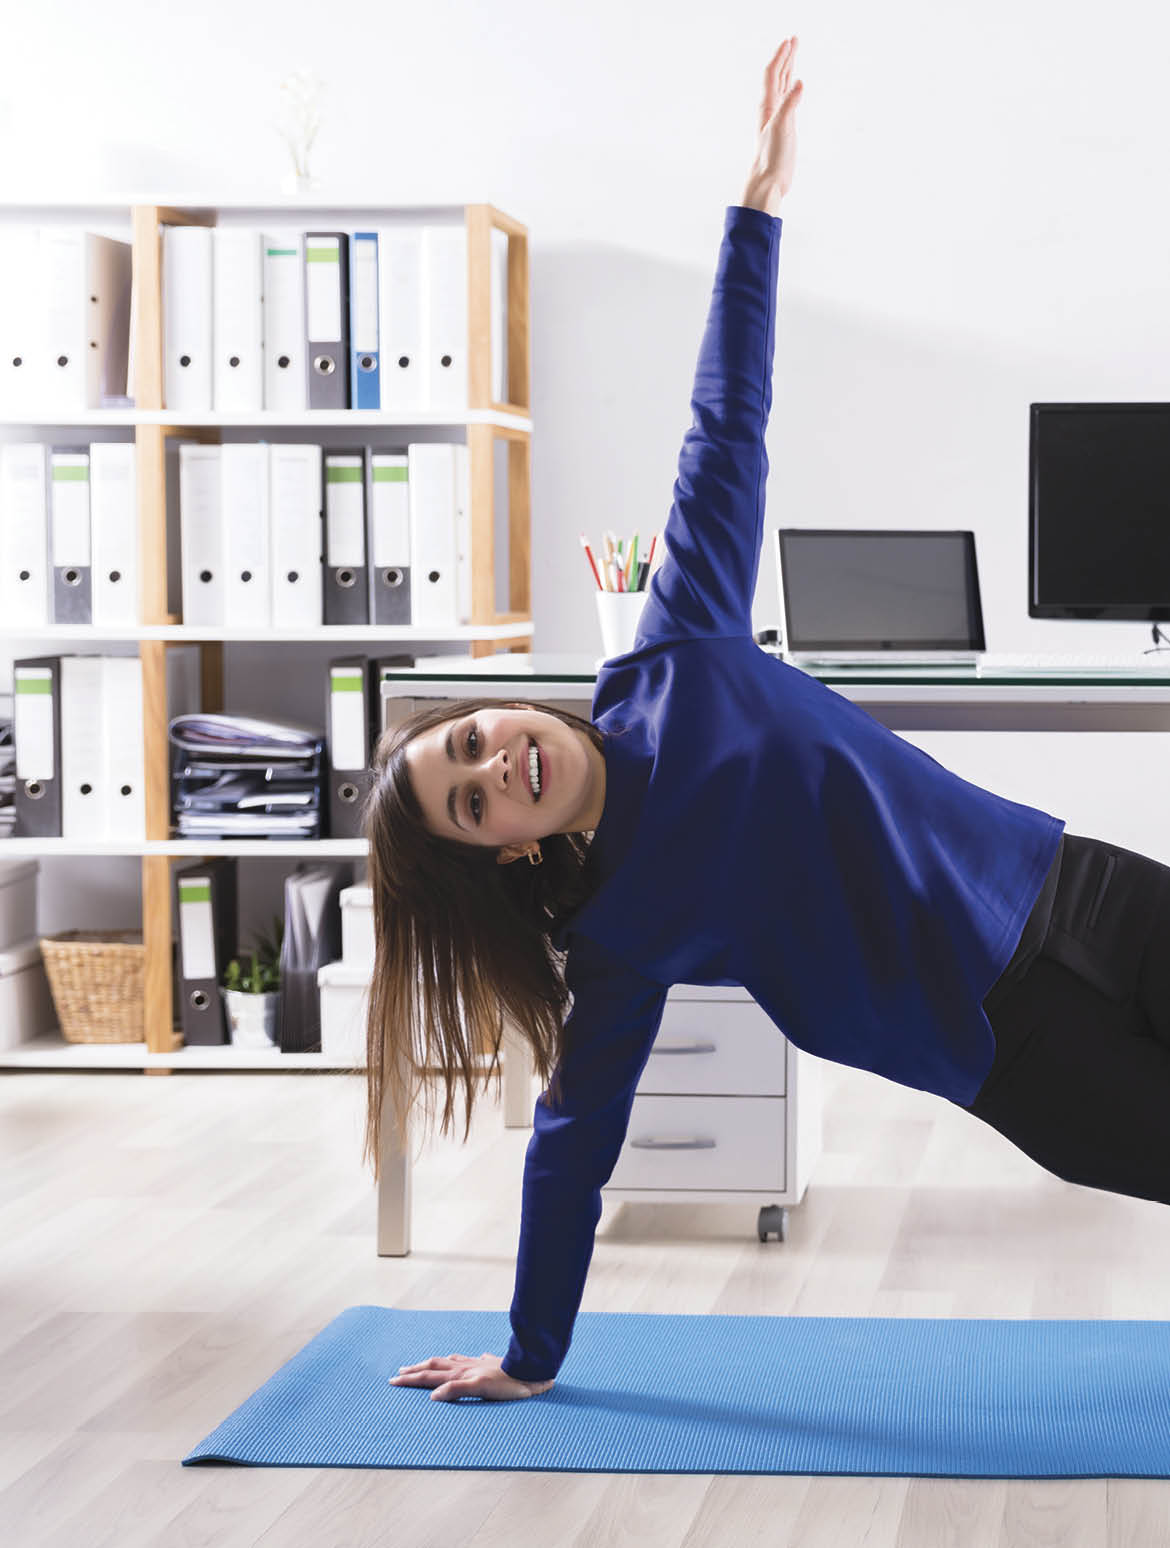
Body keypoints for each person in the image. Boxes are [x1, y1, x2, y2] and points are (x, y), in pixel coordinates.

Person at [369, 38, 1170, 1403]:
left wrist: (757, 207)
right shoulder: (616, 940)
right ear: (503, 850)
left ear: (499, 707)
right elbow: (574, 1138)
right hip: (1014, 1051)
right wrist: (527, 1354)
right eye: (473, 800)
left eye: (469, 743)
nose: (496, 765)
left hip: (1075, 889)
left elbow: (722, 426)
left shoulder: (675, 652)